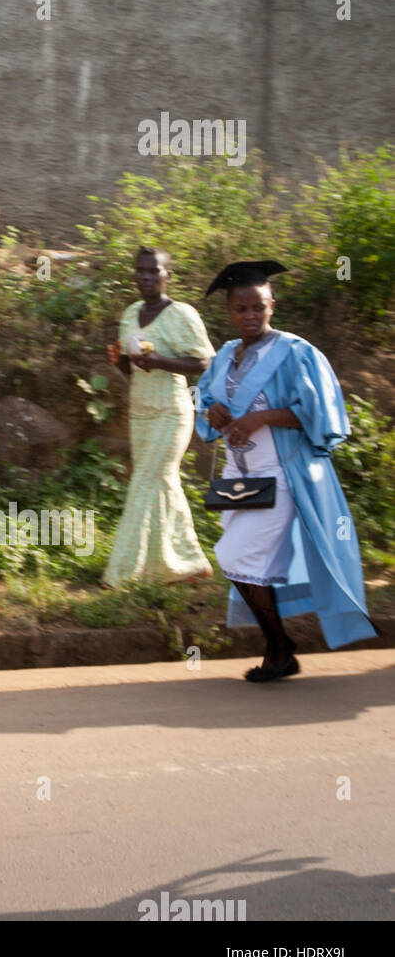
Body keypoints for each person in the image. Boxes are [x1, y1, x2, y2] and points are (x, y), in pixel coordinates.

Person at [194, 260, 377, 680]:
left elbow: (320, 414)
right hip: (241, 476)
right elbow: (202, 402)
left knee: (235, 555)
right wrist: (215, 412)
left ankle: (280, 645)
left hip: (283, 472)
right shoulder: (224, 356)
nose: (250, 316)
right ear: (230, 312)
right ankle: (279, 648)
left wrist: (262, 418)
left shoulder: (296, 353)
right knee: (244, 563)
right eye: (241, 309)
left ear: (272, 304)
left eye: (258, 307)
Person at [104, 247, 215, 584]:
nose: (147, 277)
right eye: (141, 270)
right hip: (141, 411)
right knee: (164, 483)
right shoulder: (130, 314)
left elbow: (204, 362)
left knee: (145, 480)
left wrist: (160, 361)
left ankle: (122, 572)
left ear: (168, 274)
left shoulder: (182, 314)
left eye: (154, 271)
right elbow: (131, 368)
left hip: (172, 410)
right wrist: (118, 359)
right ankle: (185, 564)